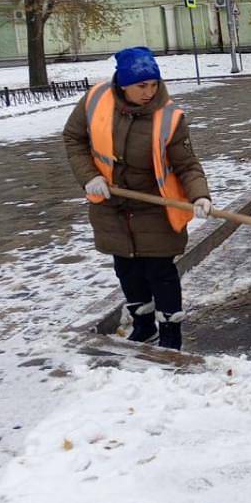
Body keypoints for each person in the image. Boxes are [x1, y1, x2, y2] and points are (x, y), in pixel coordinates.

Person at [63, 46, 212, 351]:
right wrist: (90, 177)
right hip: (112, 208)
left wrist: (200, 195)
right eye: (141, 86)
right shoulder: (95, 101)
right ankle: (143, 327)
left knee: (160, 272)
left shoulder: (169, 118)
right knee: (127, 270)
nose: (149, 92)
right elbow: (73, 138)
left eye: (153, 84)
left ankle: (171, 336)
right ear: (123, 83)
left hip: (155, 209)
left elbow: (187, 165)